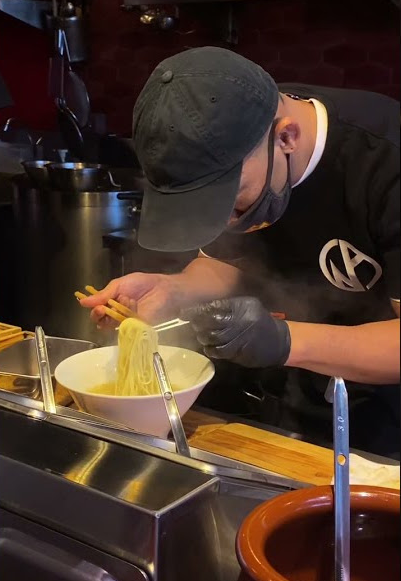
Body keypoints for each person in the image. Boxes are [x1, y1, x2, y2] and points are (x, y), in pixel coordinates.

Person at [82, 47, 400, 457]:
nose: (229, 223)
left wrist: (286, 341)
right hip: (293, 400)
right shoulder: (231, 131)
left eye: (234, 203)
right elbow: (226, 260)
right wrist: (173, 289)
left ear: (287, 137)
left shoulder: (385, 162)